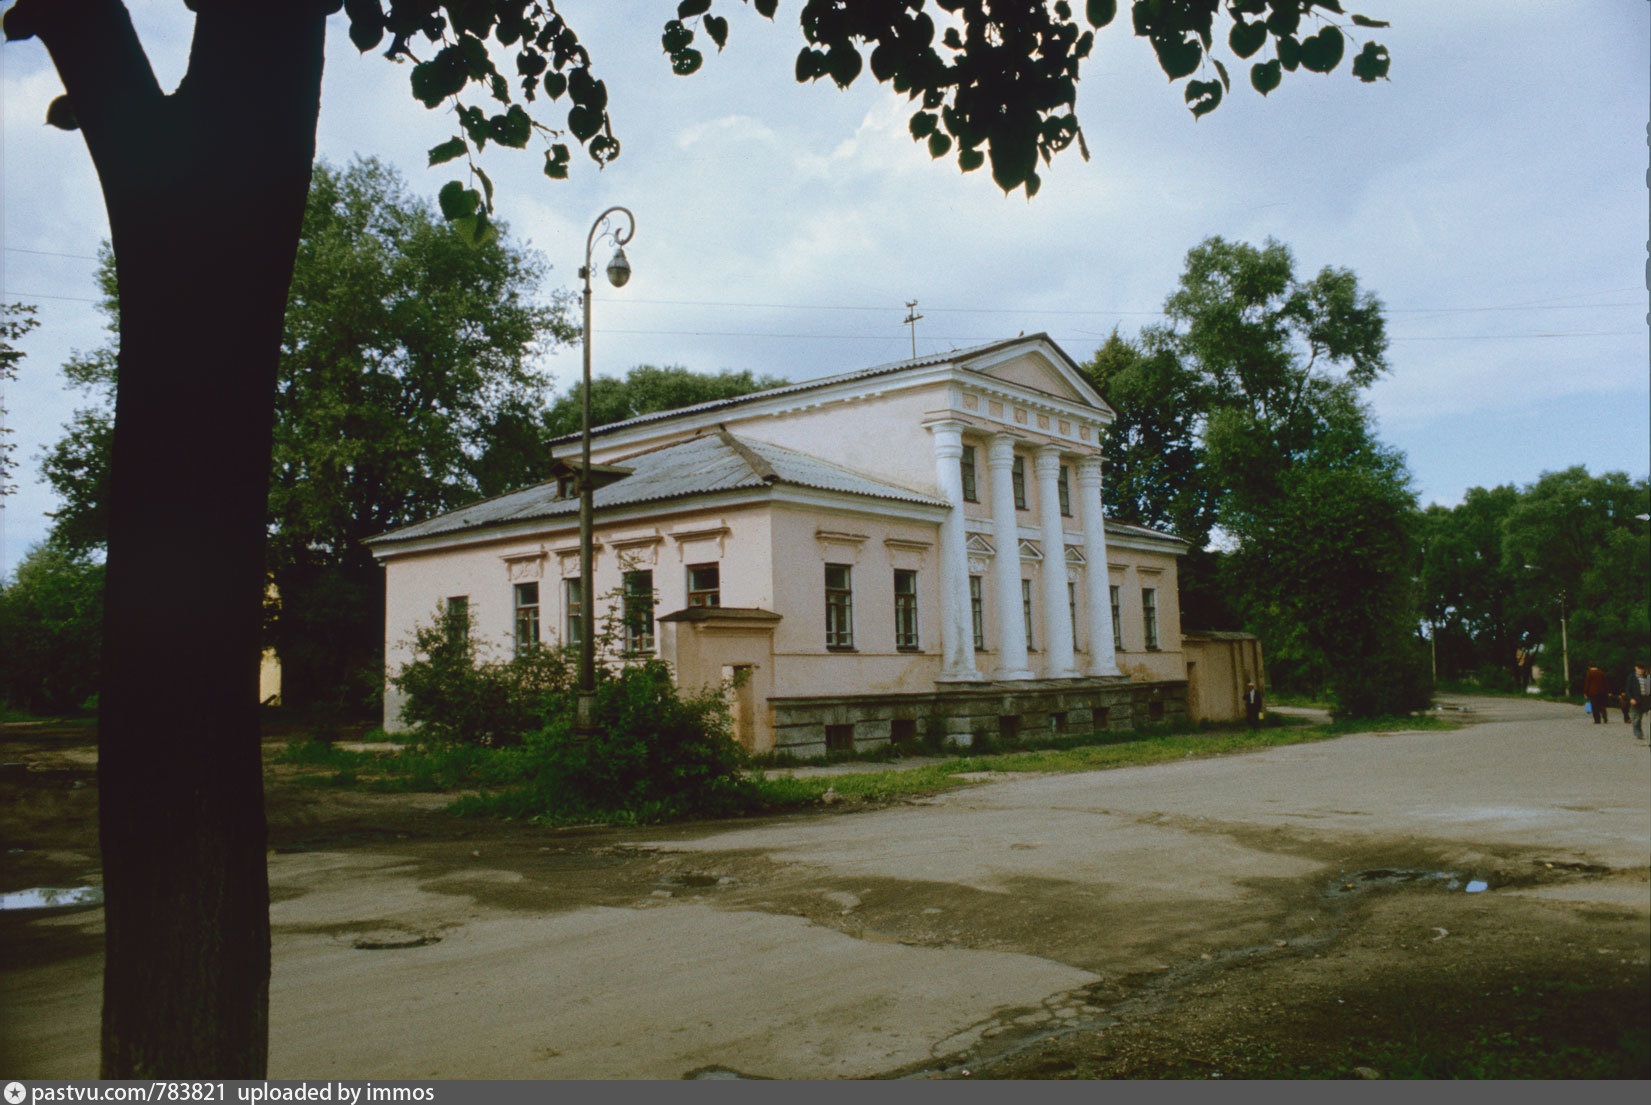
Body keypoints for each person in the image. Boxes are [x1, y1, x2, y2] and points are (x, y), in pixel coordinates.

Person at [1625, 662, 1651, 743]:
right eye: (1639, 668)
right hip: (1636, 699)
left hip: (1646, 700)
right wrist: (1631, 698)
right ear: (1636, 668)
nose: (1640, 670)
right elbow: (1628, 689)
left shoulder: (1646, 677)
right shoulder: (1632, 677)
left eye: (1642, 668)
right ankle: (1638, 732)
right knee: (1637, 718)